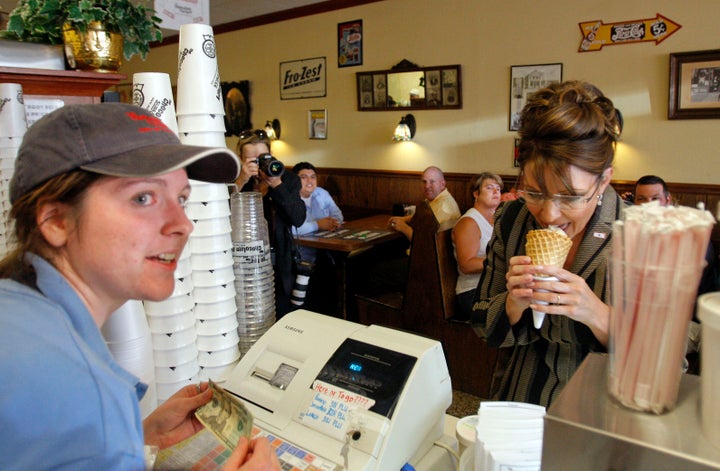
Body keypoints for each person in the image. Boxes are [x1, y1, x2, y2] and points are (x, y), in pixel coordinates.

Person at [0, 103, 280, 470]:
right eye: (143, 197)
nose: (182, 224)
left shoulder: (22, 313)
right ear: (55, 221)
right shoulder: (74, 390)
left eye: (181, 199)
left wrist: (137, 436)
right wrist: (109, 434)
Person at [471, 80, 624, 407]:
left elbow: (667, 357)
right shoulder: (512, 218)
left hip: (607, 412)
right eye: (535, 192)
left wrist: (596, 313)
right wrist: (513, 303)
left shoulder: (640, 233)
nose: (550, 214)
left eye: (570, 196)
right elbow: (483, 324)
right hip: (524, 398)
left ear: (604, 180)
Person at [235, 130, 305, 318]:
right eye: (251, 160)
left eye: (263, 158)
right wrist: (241, 181)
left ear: (272, 155)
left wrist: (276, 184)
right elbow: (219, 212)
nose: (259, 165)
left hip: (279, 260)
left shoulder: (288, 179)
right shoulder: (235, 180)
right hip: (244, 262)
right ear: (241, 159)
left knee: (281, 313)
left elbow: (298, 218)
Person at [289, 161, 344, 309]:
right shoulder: (290, 199)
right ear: (295, 180)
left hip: (327, 244)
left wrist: (333, 222)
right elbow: (292, 230)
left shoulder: (321, 193)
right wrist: (318, 225)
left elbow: (338, 215)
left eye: (313, 177)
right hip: (300, 249)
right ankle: (302, 306)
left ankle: (334, 306)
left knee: (345, 262)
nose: (310, 181)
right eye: (304, 177)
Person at [452, 173, 503, 315]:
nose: (495, 192)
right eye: (489, 188)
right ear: (476, 194)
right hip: (472, 292)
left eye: (498, 189)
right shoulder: (469, 222)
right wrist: (502, 263)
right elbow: (467, 265)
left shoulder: (496, 218)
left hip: (492, 287)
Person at [388, 166, 461, 240]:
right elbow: (424, 219)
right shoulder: (439, 199)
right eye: (424, 181)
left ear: (442, 184)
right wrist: (404, 219)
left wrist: (403, 227)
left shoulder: (443, 208)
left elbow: (424, 242)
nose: (427, 186)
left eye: (432, 181)